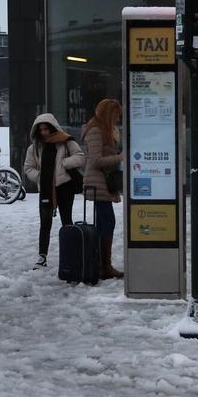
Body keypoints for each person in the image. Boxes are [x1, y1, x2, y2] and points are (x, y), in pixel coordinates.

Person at [24, 113, 86, 269]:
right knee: (45, 222)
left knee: (67, 221)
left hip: (64, 186)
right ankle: (42, 256)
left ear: (52, 128)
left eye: (46, 129)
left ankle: (70, 254)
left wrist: (64, 163)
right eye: (41, 129)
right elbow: (28, 167)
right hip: (46, 189)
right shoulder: (34, 148)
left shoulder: (65, 141)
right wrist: (40, 177)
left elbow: (80, 157)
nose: (44, 132)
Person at [82, 99, 124, 279]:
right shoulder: (95, 131)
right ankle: (103, 265)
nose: (117, 118)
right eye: (115, 115)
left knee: (105, 222)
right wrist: (120, 157)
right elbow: (96, 160)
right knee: (107, 222)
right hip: (98, 182)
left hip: (105, 183)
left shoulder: (108, 132)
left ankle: (102, 264)